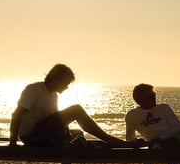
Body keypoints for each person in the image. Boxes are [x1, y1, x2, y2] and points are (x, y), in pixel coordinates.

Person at [10, 63, 143, 148]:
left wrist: (66, 132)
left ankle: (99, 142)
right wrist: (12, 142)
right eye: (66, 83)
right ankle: (112, 141)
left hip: (44, 134)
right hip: (32, 136)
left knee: (77, 133)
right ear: (55, 79)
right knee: (76, 110)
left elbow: (55, 121)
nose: (67, 87)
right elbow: (17, 114)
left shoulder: (53, 95)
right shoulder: (35, 89)